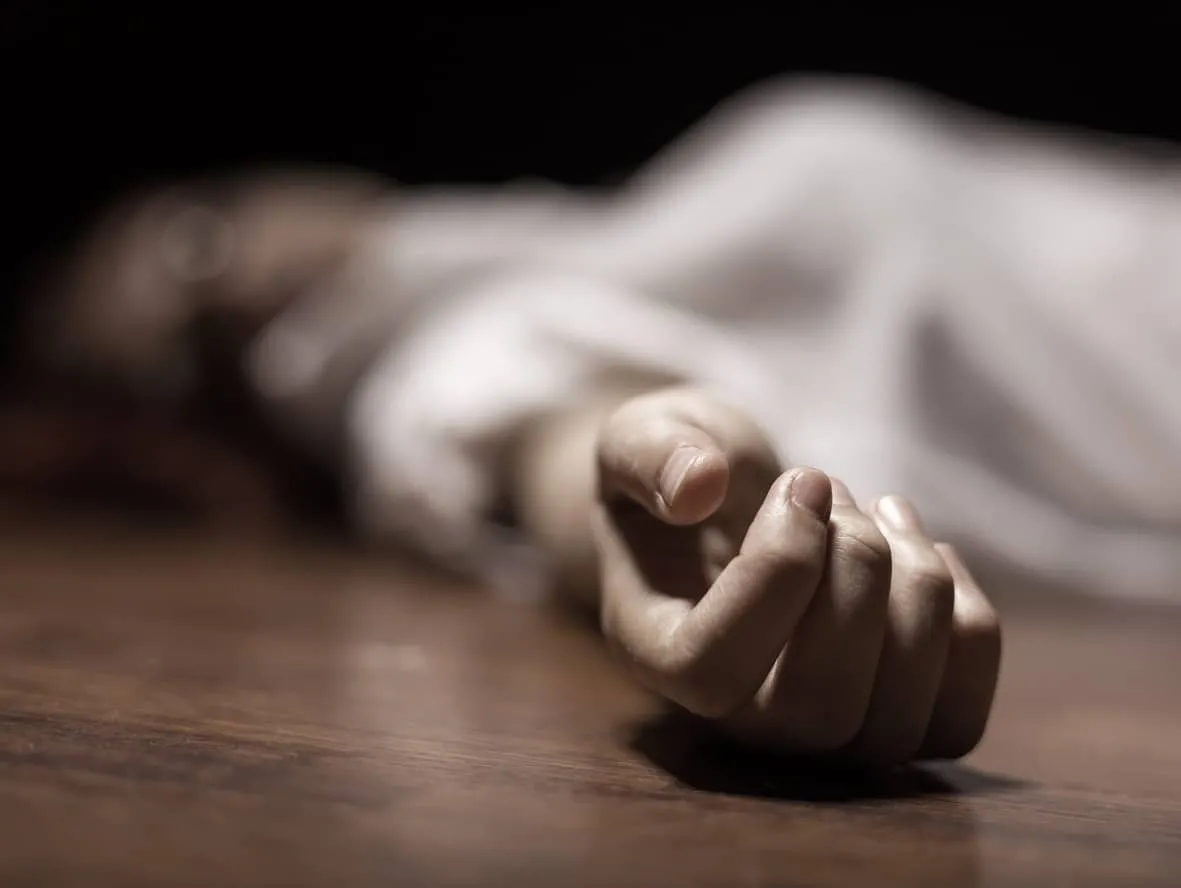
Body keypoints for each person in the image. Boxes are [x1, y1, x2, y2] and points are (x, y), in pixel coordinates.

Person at [24, 75, 1181, 766]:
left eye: (201, 224)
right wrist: (636, 507)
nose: (233, 269)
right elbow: (522, 409)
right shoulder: (405, 349)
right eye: (189, 321)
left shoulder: (575, 231)